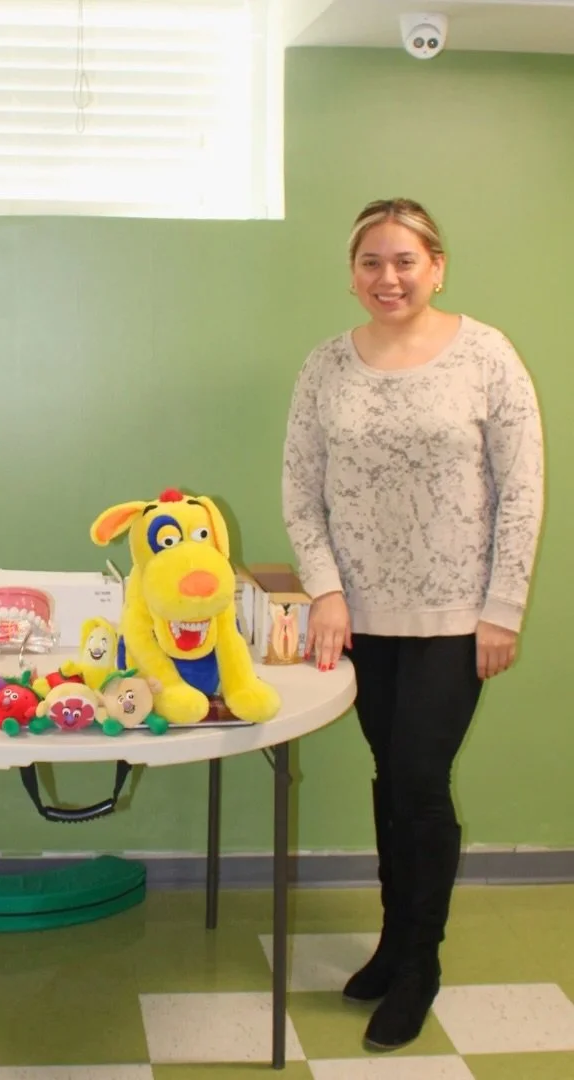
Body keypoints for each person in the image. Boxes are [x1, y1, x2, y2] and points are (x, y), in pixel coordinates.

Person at [281, 198, 544, 1052]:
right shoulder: (326, 366)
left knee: (420, 782)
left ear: (436, 266)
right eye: (370, 262)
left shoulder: (487, 356)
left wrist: (500, 610)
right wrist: (324, 590)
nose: (386, 278)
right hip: (360, 619)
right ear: (352, 271)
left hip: (455, 617)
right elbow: (300, 490)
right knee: (390, 775)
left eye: (404, 261)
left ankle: (419, 963)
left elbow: (522, 492)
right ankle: (394, 945)